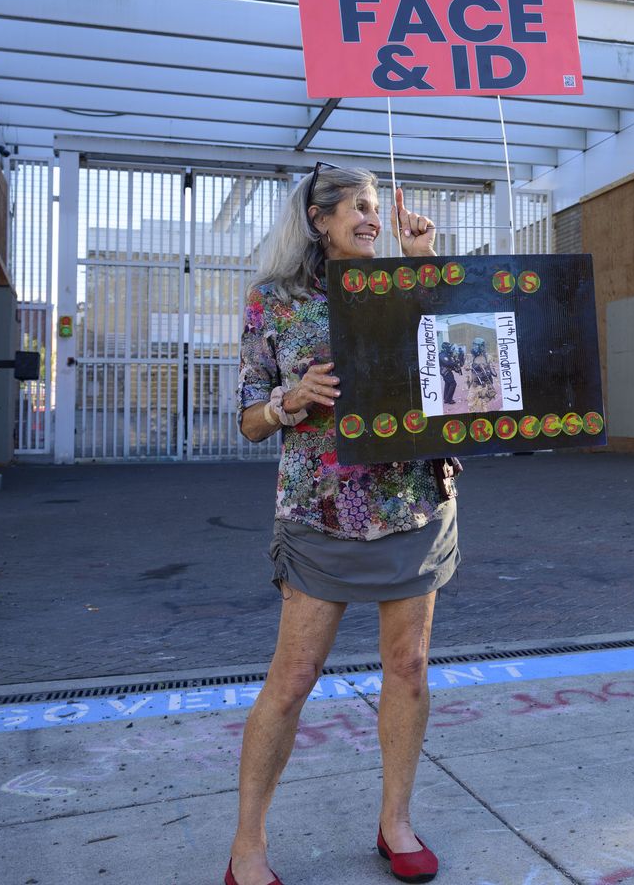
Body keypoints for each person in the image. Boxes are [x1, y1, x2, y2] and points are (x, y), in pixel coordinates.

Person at [226, 161, 457, 885]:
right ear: (319, 220)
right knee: (293, 677)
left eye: (376, 207)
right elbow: (247, 419)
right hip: (320, 510)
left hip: (413, 502)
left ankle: (396, 823)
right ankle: (248, 846)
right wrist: (288, 400)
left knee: (409, 666)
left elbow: (468, 368)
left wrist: (425, 268)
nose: (371, 217)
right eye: (356, 206)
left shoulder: (405, 283)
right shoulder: (274, 303)